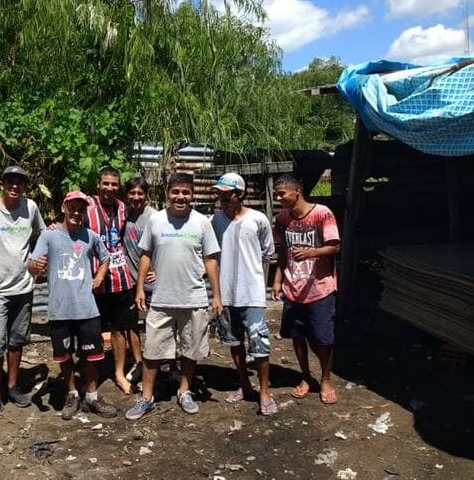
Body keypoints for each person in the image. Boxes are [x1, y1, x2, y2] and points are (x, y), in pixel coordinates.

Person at [126, 173, 223, 420]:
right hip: (161, 299)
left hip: (194, 298)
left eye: (186, 192)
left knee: (191, 350)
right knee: (152, 351)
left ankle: (184, 390)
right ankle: (146, 398)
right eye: (176, 192)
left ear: (192, 194)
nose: (181, 197)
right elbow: (145, 255)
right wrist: (139, 288)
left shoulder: (202, 222)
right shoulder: (156, 220)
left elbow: (210, 260)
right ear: (167, 193)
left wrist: (217, 295)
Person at [28, 190, 118, 420]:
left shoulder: (91, 236)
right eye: (72, 208)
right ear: (63, 208)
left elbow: (106, 257)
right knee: (64, 356)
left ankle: (92, 396)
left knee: (92, 355)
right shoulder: (49, 236)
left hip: (86, 308)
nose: (76, 213)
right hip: (60, 309)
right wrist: (35, 267)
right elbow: (32, 264)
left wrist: (99, 278)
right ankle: (72, 394)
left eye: (80, 209)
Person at [0, 166, 46, 422]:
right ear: (2, 184)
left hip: (24, 288)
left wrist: (37, 261)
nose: (15, 186)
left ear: (25, 186)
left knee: (17, 340)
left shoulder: (31, 207)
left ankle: (13, 386)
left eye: (20, 182)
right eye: (10, 181)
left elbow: (43, 234)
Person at [210, 173, 277, 416]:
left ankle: (264, 391)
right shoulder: (215, 221)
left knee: (259, 343)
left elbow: (267, 252)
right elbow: (210, 254)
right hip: (226, 294)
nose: (222, 199)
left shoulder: (258, 219)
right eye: (219, 194)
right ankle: (244, 383)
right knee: (234, 341)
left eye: (227, 194)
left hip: (252, 294)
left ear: (239, 194)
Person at [271, 174, 341, 405]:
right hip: (293, 288)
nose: (278, 198)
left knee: (323, 338)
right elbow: (282, 253)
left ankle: (325, 379)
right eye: (277, 194)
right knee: (297, 335)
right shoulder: (282, 219)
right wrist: (278, 280)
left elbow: (335, 246)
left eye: (282, 193)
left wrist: (311, 252)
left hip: (320, 288)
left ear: (297, 191)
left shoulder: (322, 213)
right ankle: (305, 376)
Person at [85, 167, 138, 394]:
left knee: (118, 328)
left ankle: (119, 373)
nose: (109, 188)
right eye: (105, 183)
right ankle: (92, 375)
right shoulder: (86, 205)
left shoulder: (123, 207)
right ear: (98, 184)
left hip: (119, 279)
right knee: (91, 329)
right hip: (94, 278)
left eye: (114, 184)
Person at [122, 176, 156, 385]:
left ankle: (166, 364)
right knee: (131, 324)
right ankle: (138, 362)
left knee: (157, 324)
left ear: (146, 195)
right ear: (127, 195)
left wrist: (158, 270)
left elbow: (164, 246)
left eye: (140, 193)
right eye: (132, 193)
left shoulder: (155, 217)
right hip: (129, 279)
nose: (136, 197)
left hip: (152, 282)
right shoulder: (122, 215)